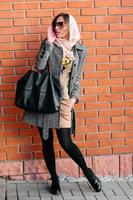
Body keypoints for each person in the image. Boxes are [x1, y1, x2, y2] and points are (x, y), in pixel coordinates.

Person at [24, 13, 101, 195]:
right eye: (54, 25)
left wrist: (74, 98)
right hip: (47, 99)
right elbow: (39, 66)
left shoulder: (80, 50)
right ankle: (55, 180)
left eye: (60, 25)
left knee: (66, 142)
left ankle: (89, 174)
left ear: (69, 26)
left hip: (65, 101)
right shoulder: (49, 44)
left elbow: (76, 79)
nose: (56, 28)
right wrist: (49, 44)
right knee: (46, 141)